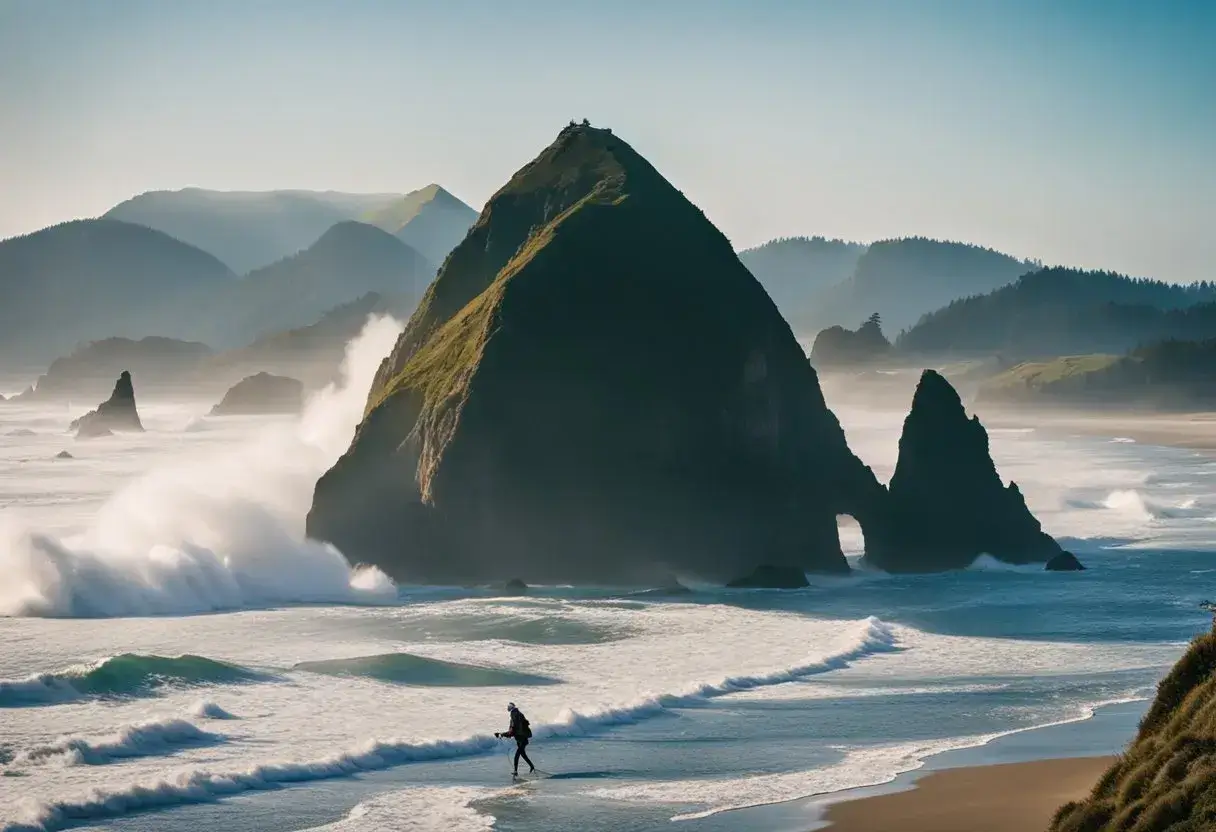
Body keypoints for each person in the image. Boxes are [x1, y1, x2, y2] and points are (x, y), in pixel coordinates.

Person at [495, 701, 535, 775]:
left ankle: (516, 771)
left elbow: (512, 731)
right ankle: (532, 766)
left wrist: (502, 734)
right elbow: (512, 731)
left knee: (517, 755)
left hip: (522, 740)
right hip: (521, 740)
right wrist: (502, 734)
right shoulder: (517, 716)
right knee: (523, 754)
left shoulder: (515, 717)